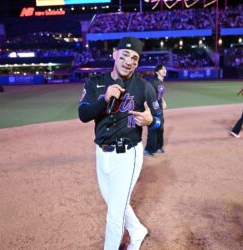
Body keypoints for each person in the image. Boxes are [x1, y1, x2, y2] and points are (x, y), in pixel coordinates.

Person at [78, 36, 163, 250]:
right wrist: (103, 100)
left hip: (128, 155)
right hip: (101, 153)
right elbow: (83, 114)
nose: (129, 61)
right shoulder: (95, 83)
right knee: (116, 204)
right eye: (124, 55)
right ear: (114, 54)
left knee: (114, 215)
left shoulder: (144, 86)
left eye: (134, 58)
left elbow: (159, 119)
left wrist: (151, 121)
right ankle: (137, 230)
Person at [144, 64, 167, 156]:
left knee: (160, 128)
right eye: (162, 69)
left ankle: (158, 146)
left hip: (159, 109)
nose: (164, 70)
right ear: (157, 72)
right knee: (153, 128)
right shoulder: (154, 83)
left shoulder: (160, 82)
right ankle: (148, 150)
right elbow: (149, 96)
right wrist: (154, 109)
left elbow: (159, 95)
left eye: (165, 69)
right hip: (154, 110)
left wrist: (163, 101)